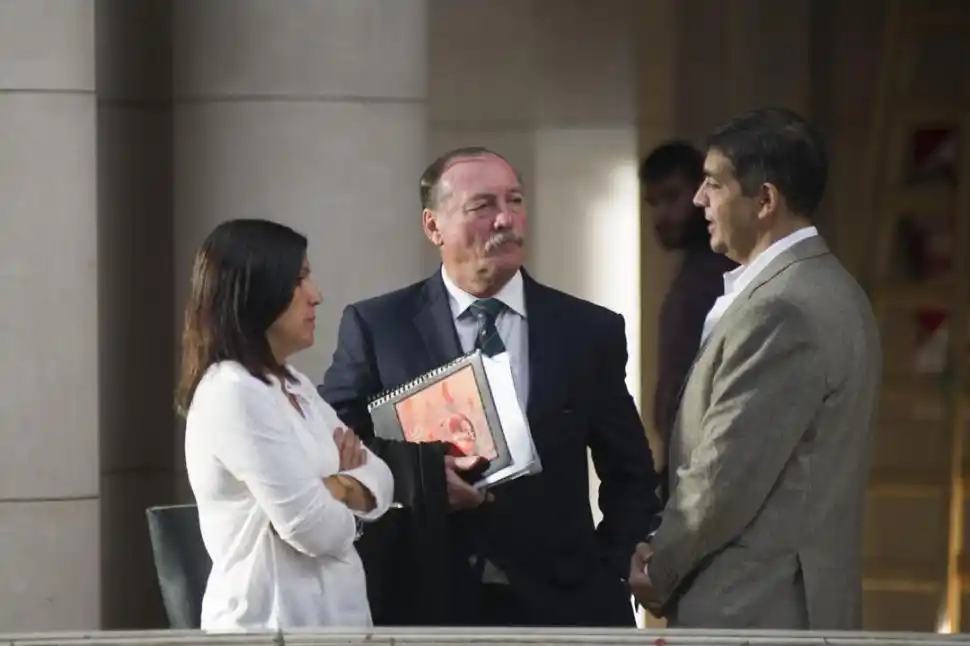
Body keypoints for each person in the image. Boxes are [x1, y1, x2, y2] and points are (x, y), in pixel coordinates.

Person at [319, 146, 662, 627]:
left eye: (515, 201)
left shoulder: (587, 330)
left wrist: (612, 567)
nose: (506, 219)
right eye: (483, 206)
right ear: (433, 226)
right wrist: (420, 476)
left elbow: (630, 472)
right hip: (422, 603)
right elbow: (330, 445)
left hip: (562, 606)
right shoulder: (379, 327)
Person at [629, 108, 881, 629]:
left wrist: (659, 565)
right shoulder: (827, 287)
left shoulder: (782, 309)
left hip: (754, 610)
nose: (699, 200)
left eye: (713, 184)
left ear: (765, 200)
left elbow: (725, 471)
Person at [178, 219, 394, 630]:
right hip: (267, 627)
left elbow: (381, 479)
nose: (317, 295)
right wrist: (349, 490)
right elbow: (311, 529)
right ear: (254, 292)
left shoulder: (293, 383)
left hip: (340, 624)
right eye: (298, 280)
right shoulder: (232, 391)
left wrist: (334, 486)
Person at [640, 141, 737, 501]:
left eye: (671, 197)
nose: (662, 215)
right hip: (688, 466)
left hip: (710, 471)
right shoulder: (696, 271)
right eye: (654, 203)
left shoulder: (723, 273)